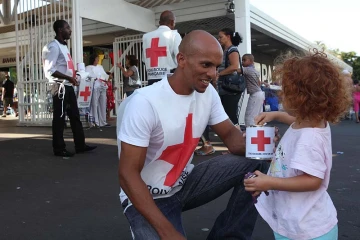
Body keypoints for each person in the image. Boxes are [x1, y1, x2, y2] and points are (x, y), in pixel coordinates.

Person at [117, 30, 270, 240]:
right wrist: (168, 232)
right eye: (205, 65)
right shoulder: (145, 102)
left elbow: (232, 139)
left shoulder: (208, 94)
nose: (213, 74)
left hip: (184, 185)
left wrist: (264, 142)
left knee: (258, 160)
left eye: (216, 67)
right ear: (181, 59)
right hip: (147, 196)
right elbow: (127, 174)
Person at [244, 50, 351, 240]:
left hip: (306, 231)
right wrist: (275, 115)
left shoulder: (309, 140)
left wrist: (269, 182)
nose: (281, 95)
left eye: (286, 91)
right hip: (299, 221)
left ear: (302, 97)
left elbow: (312, 180)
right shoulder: (312, 121)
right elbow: (293, 120)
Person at [42, 19, 96, 157]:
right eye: (67, 27)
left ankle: (80, 145)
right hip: (59, 86)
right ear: (60, 30)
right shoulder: (53, 46)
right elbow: (50, 70)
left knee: (75, 116)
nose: (70, 30)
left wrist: (75, 75)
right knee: (59, 118)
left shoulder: (64, 46)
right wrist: (68, 78)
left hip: (68, 85)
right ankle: (59, 149)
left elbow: (64, 67)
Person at [142, 10, 182, 85]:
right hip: (169, 80)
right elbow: (180, 59)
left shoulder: (146, 37)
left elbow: (144, 60)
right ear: (172, 22)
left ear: (159, 23)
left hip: (151, 81)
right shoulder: (174, 35)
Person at [85, 54, 110, 128]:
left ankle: (103, 121)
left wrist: (106, 77)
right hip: (95, 87)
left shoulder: (100, 67)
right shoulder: (88, 67)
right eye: (96, 59)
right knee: (94, 104)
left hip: (102, 86)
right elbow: (87, 76)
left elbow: (104, 75)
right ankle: (94, 121)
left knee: (103, 104)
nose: (98, 60)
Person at [240, 54, 264, 126]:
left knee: (250, 116)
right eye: (242, 60)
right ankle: (258, 130)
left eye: (244, 60)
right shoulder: (255, 71)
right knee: (257, 115)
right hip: (259, 94)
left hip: (255, 95)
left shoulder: (247, 70)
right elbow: (258, 83)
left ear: (250, 61)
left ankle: (251, 133)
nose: (242, 62)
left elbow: (236, 70)